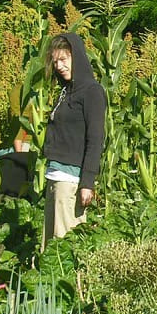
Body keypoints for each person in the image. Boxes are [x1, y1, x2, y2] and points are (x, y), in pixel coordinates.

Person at [40, 31, 106, 248]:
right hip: (55, 177)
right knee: (50, 245)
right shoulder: (65, 92)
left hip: (70, 181)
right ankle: (48, 281)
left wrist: (87, 182)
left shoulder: (91, 92)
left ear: (76, 57)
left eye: (64, 60)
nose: (59, 66)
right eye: (55, 61)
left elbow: (95, 139)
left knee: (65, 245)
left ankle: (71, 282)